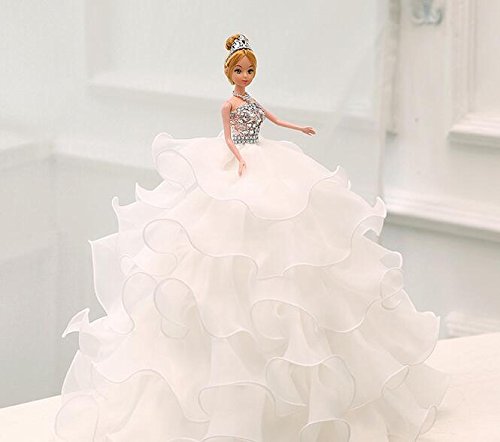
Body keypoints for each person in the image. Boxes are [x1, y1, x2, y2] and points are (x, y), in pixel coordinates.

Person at [53, 33, 449, 441]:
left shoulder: (254, 103)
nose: (245, 75)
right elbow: (227, 137)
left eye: (250, 70)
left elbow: (275, 121)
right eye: (240, 70)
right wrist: (239, 158)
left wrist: (299, 127)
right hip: (239, 161)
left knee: (292, 236)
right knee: (218, 247)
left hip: (266, 158)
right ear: (230, 73)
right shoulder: (228, 105)